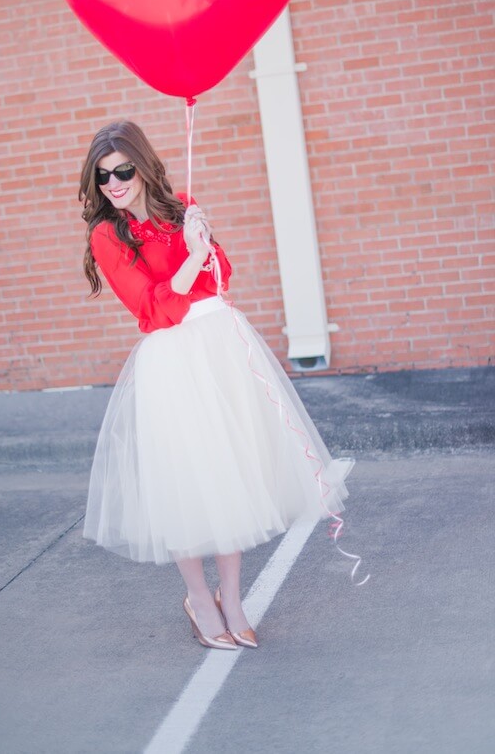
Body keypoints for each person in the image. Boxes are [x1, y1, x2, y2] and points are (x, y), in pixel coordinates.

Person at [79, 120, 353, 651]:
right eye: (103, 175)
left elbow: (222, 272)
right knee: (188, 479)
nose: (113, 182)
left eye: (123, 170)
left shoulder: (181, 203)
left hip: (221, 344)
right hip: (173, 356)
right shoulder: (107, 235)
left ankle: (233, 597)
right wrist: (186, 257)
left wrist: (199, 238)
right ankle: (199, 598)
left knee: (232, 472)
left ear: (141, 164)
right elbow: (153, 309)